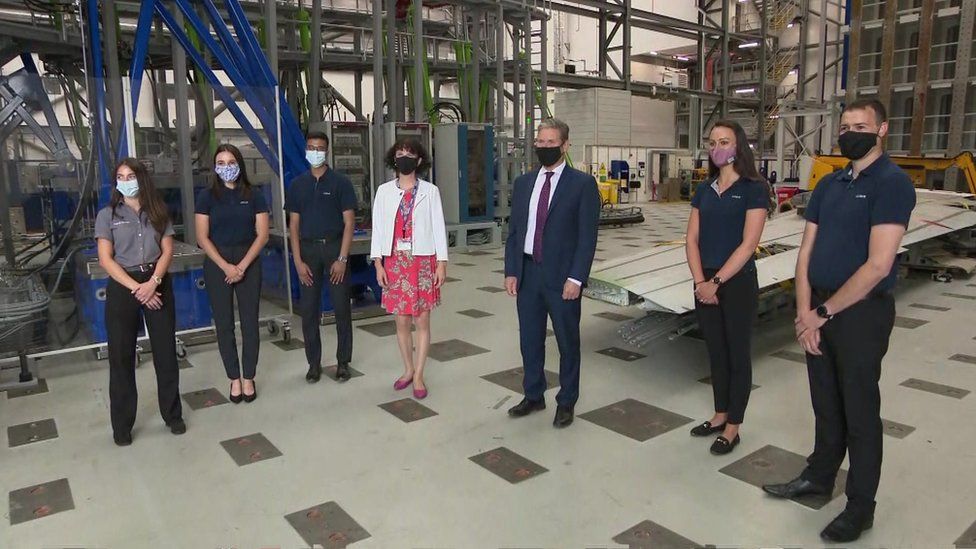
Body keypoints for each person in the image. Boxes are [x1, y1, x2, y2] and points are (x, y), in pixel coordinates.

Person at [762, 99, 916, 543]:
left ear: (882, 129)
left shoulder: (892, 184)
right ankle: (819, 476)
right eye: (845, 126)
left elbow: (878, 265)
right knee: (825, 401)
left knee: (860, 412)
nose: (851, 132)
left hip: (860, 314)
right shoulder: (830, 184)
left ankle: (860, 506)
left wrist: (823, 315)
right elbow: (806, 252)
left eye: (861, 126)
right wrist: (803, 314)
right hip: (819, 310)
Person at [504, 118, 600, 428]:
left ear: (565, 145)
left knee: (567, 341)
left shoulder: (582, 185)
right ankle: (533, 394)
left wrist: (576, 278)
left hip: (562, 278)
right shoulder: (523, 184)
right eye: (540, 143)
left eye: (551, 142)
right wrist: (511, 270)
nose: (544, 147)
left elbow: (587, 237)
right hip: (529, 272)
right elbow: (515, 231)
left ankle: (567, 401)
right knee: (530, 339)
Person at [685, 120, 769, 455]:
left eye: (724, 141)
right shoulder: (704, 190)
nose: (717, 147)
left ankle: (734, 426)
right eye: (712, 141)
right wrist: (700, 282)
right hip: (704, 282)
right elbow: (691, 238)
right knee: (715, 351)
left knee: (737, 354)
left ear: (739, 147)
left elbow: (749, 244)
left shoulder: (754, 189)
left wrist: (716, 282)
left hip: (736, 282)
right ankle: (719, 414)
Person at [95, 158, 185, 446]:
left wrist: (153, 283)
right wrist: (138, 289)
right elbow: (105, 260)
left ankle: (173, 415)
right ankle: (122, 426)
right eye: (120, 176)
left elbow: (167, 250)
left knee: (165, 353)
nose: (125, 180)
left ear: (141, 178)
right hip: (125, 287)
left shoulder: (158, 212)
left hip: (156, 282)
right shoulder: (107, 215)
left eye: (130, 175)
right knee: (121, 358)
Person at [370, 137, 448, 400]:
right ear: (394, 157)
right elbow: (378, 227)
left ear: (418, 160)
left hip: (422, 261)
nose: (404, 157)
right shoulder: (384, 191)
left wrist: (442, 263)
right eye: (400, 152)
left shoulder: (430, 191)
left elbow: (438, 227)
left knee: (422, 319)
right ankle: (407, 369)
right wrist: (378, 262)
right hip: (394, 261)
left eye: (410, 153)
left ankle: (419, 374)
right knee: (401, 320)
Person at [195, 144, 270, 403]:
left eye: (231, 162)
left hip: (249, 258)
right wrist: (226, 266)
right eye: (221, 162)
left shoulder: (254, 194)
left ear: (240, 164)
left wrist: (243, 265)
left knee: (250, 323)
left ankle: (248, 377)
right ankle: (233, 379)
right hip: (218, 262)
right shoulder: (206, 196)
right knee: (224, 324)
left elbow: (262, 234)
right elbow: (202, 237)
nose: (227, 167)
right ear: (215, 167)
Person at [285, 131, 357, 383]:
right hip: (308, 252)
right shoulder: (297, 185)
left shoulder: (340, 183)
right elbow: (293, 226)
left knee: (340, 309)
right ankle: (313, 364)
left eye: (319, 148)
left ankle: (343, 362)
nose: (314, 152)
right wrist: (297, 261)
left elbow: (349, 223)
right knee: (309, 311)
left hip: (334, 248)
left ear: (326, 152)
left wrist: (342, 258)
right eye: (311, 147)